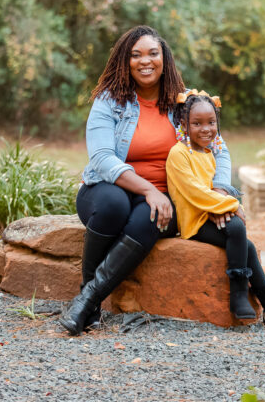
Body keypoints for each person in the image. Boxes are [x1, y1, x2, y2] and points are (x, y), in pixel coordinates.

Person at [59, 26, 239, 335]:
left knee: (153, 215)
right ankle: (87, 293)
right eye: (136, 54)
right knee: (114, 204)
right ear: (124, 61)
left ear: (164, 59)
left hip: (161, 196)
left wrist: (220, 189)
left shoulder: (182, 106)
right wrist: (147, 189)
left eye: (153, 53)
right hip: (107, 188)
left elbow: (218, 148)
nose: (146, 61)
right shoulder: (109, 101)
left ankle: (86, 302)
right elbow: (102, 158)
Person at [165, 90, 265, 328]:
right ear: (183, 124)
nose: (206, 129)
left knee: (246, 243)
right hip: (194, 222)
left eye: (211, 122)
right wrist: (233, 205)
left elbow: (212, 192)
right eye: (197, 123)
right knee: (238, 230)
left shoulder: (207, 153)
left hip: (210, 213)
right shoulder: (178, 154)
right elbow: (195, 193)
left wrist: (223, 207)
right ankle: (240, 294)